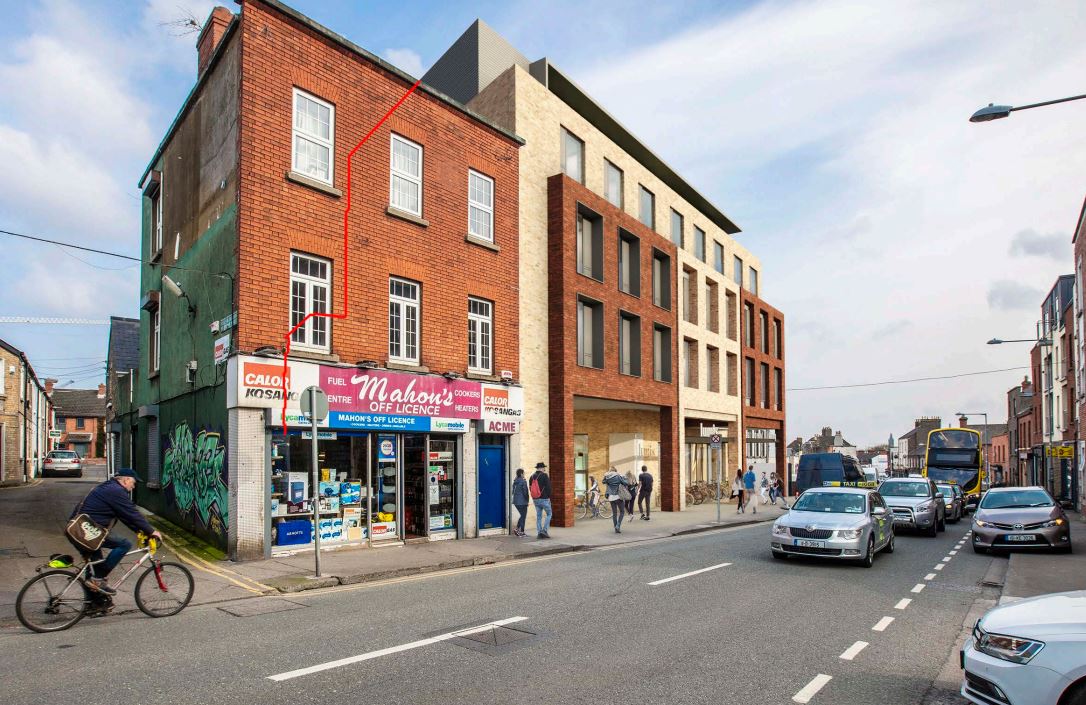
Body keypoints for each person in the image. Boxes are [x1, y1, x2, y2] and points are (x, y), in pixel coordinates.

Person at [66, 468, 162, 596]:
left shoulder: (109, 487)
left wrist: (141, 531)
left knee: (95, 566)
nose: (133, 487)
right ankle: (98, 580)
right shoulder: (116, 491)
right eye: (133, 483)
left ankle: (94, 601)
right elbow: (132, 514)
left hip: (80, 530)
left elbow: (124, 517)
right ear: (126, 480)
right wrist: (152, 531)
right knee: (124, 544)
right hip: (86, 531)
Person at [602, 467, 633, 533]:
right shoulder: (618, 476)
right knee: (622, 511)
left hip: (611, 497)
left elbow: (603, 482)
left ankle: (616, 527)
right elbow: (625, 483)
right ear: (615, 471)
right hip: (618, 496)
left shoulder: (607, 476)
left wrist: (606, 477)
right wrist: (625, 479)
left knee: (614, 513)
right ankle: (618, 525)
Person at [529, 462, 553, 539]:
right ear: (542, 468)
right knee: (549, 514)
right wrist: (549, 496)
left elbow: (530, 488)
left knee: (539, 516)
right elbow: (548, 487)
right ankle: (544, 531)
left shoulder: (532, 477)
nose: (544, 469)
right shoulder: (544, 475)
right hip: (544, 499)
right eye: (544, 468)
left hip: (536, 499)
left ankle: (539, 533)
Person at [511, 468, 529, 537]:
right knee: (523, 516)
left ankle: (518, 530)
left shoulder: (515, 481)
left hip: (516, 501)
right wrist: (527, 501)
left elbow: (513, 492)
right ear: (521, 474)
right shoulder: (523, 481)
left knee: (521, 516)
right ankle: (521, 531)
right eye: (524, 473)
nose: (524, 474)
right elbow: (525, 492)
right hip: (522, 502)